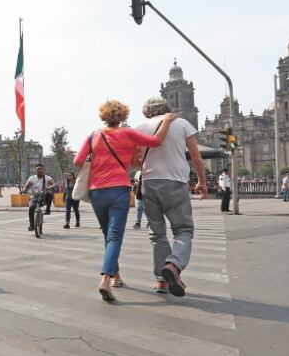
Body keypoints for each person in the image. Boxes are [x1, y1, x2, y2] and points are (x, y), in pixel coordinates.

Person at [73, 100, 175, 302]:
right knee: (114, 236)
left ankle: (116, 276)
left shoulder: (93, 135)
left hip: (96, 192)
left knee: (107, 235)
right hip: (118, 190)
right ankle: (105, 278)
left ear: (103, 116)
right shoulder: (128, 134)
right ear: (122, 117)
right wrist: (167, 120)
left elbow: (77, 161)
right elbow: (156, 142)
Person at [133, 96, 207, 296]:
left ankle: (161, 281)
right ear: (167, 109)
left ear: (146, 111)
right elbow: (196, 156)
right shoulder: (181, 123)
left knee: (157, 234)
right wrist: (202, 182)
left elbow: (134, 160)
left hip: (149, 184)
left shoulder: (139, 128)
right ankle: (174, 266)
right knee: (183, 230)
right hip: (175, 183)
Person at [22, 164, 56, 232]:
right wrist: (24, 190)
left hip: (43, 197)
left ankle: (48, 209)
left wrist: (49, 187)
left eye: (41, 169)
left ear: (43, 170)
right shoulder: (32, 178)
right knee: (31, 207)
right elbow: (26, 186)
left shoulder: (47, 178)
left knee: (49, 193)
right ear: (35, 170)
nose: (39, 170)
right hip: (34, 197)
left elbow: (54, 184)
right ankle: (32, 225)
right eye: (38, 169)